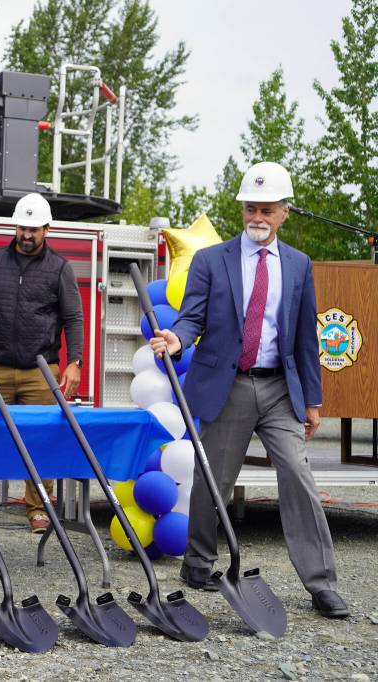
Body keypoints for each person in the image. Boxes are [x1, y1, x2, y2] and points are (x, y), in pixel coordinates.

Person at [149, 161, 347, 618]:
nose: (256, 217)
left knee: (298, 475)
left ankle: (321, 583)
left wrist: (313, 399)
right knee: (212, 480)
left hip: (279, 388)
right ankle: (198, 562)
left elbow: (304, 338)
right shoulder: (211, 260)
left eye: (266, 209)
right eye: (249, 208)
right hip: (228, 383)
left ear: (284, 212)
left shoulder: (298, 265)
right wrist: (178, 338)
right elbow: (192, 317)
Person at [0, 193, 84, 534]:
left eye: (34, 230)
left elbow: (74, 317)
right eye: (22, 228)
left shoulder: (60, 268)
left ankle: (38, 510)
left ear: (47, 229)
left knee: (41, 440)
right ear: (16, 226)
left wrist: (75, 362)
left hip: (42, 372)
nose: (27, 236)